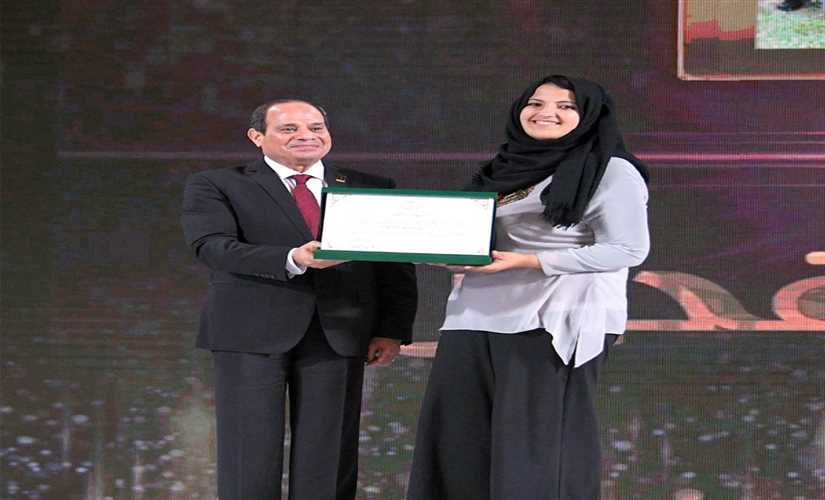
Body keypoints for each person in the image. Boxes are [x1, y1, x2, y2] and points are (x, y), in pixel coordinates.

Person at [406, 75, 650, 500]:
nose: (546, 113)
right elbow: (474, 240)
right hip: (473, 317)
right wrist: (442, 252)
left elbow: (628, 249)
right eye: (535, 103)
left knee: (531, 449)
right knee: (459, 442)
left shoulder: (611, 170)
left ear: (589, 116)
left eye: (565, 106)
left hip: (550, 321)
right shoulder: (502, 168)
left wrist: (532, 261)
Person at [181, 99, 418, 499]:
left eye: (315, 127)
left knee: (328, 455)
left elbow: (394, 266)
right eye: (289, 129)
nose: (306, 136)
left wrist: (391, 329)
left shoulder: (370, 187)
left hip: (340, 333)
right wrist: (293, 258)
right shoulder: (217, 184)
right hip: (249, 334)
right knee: (249, 452)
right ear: (257, 137)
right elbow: (212, 247)